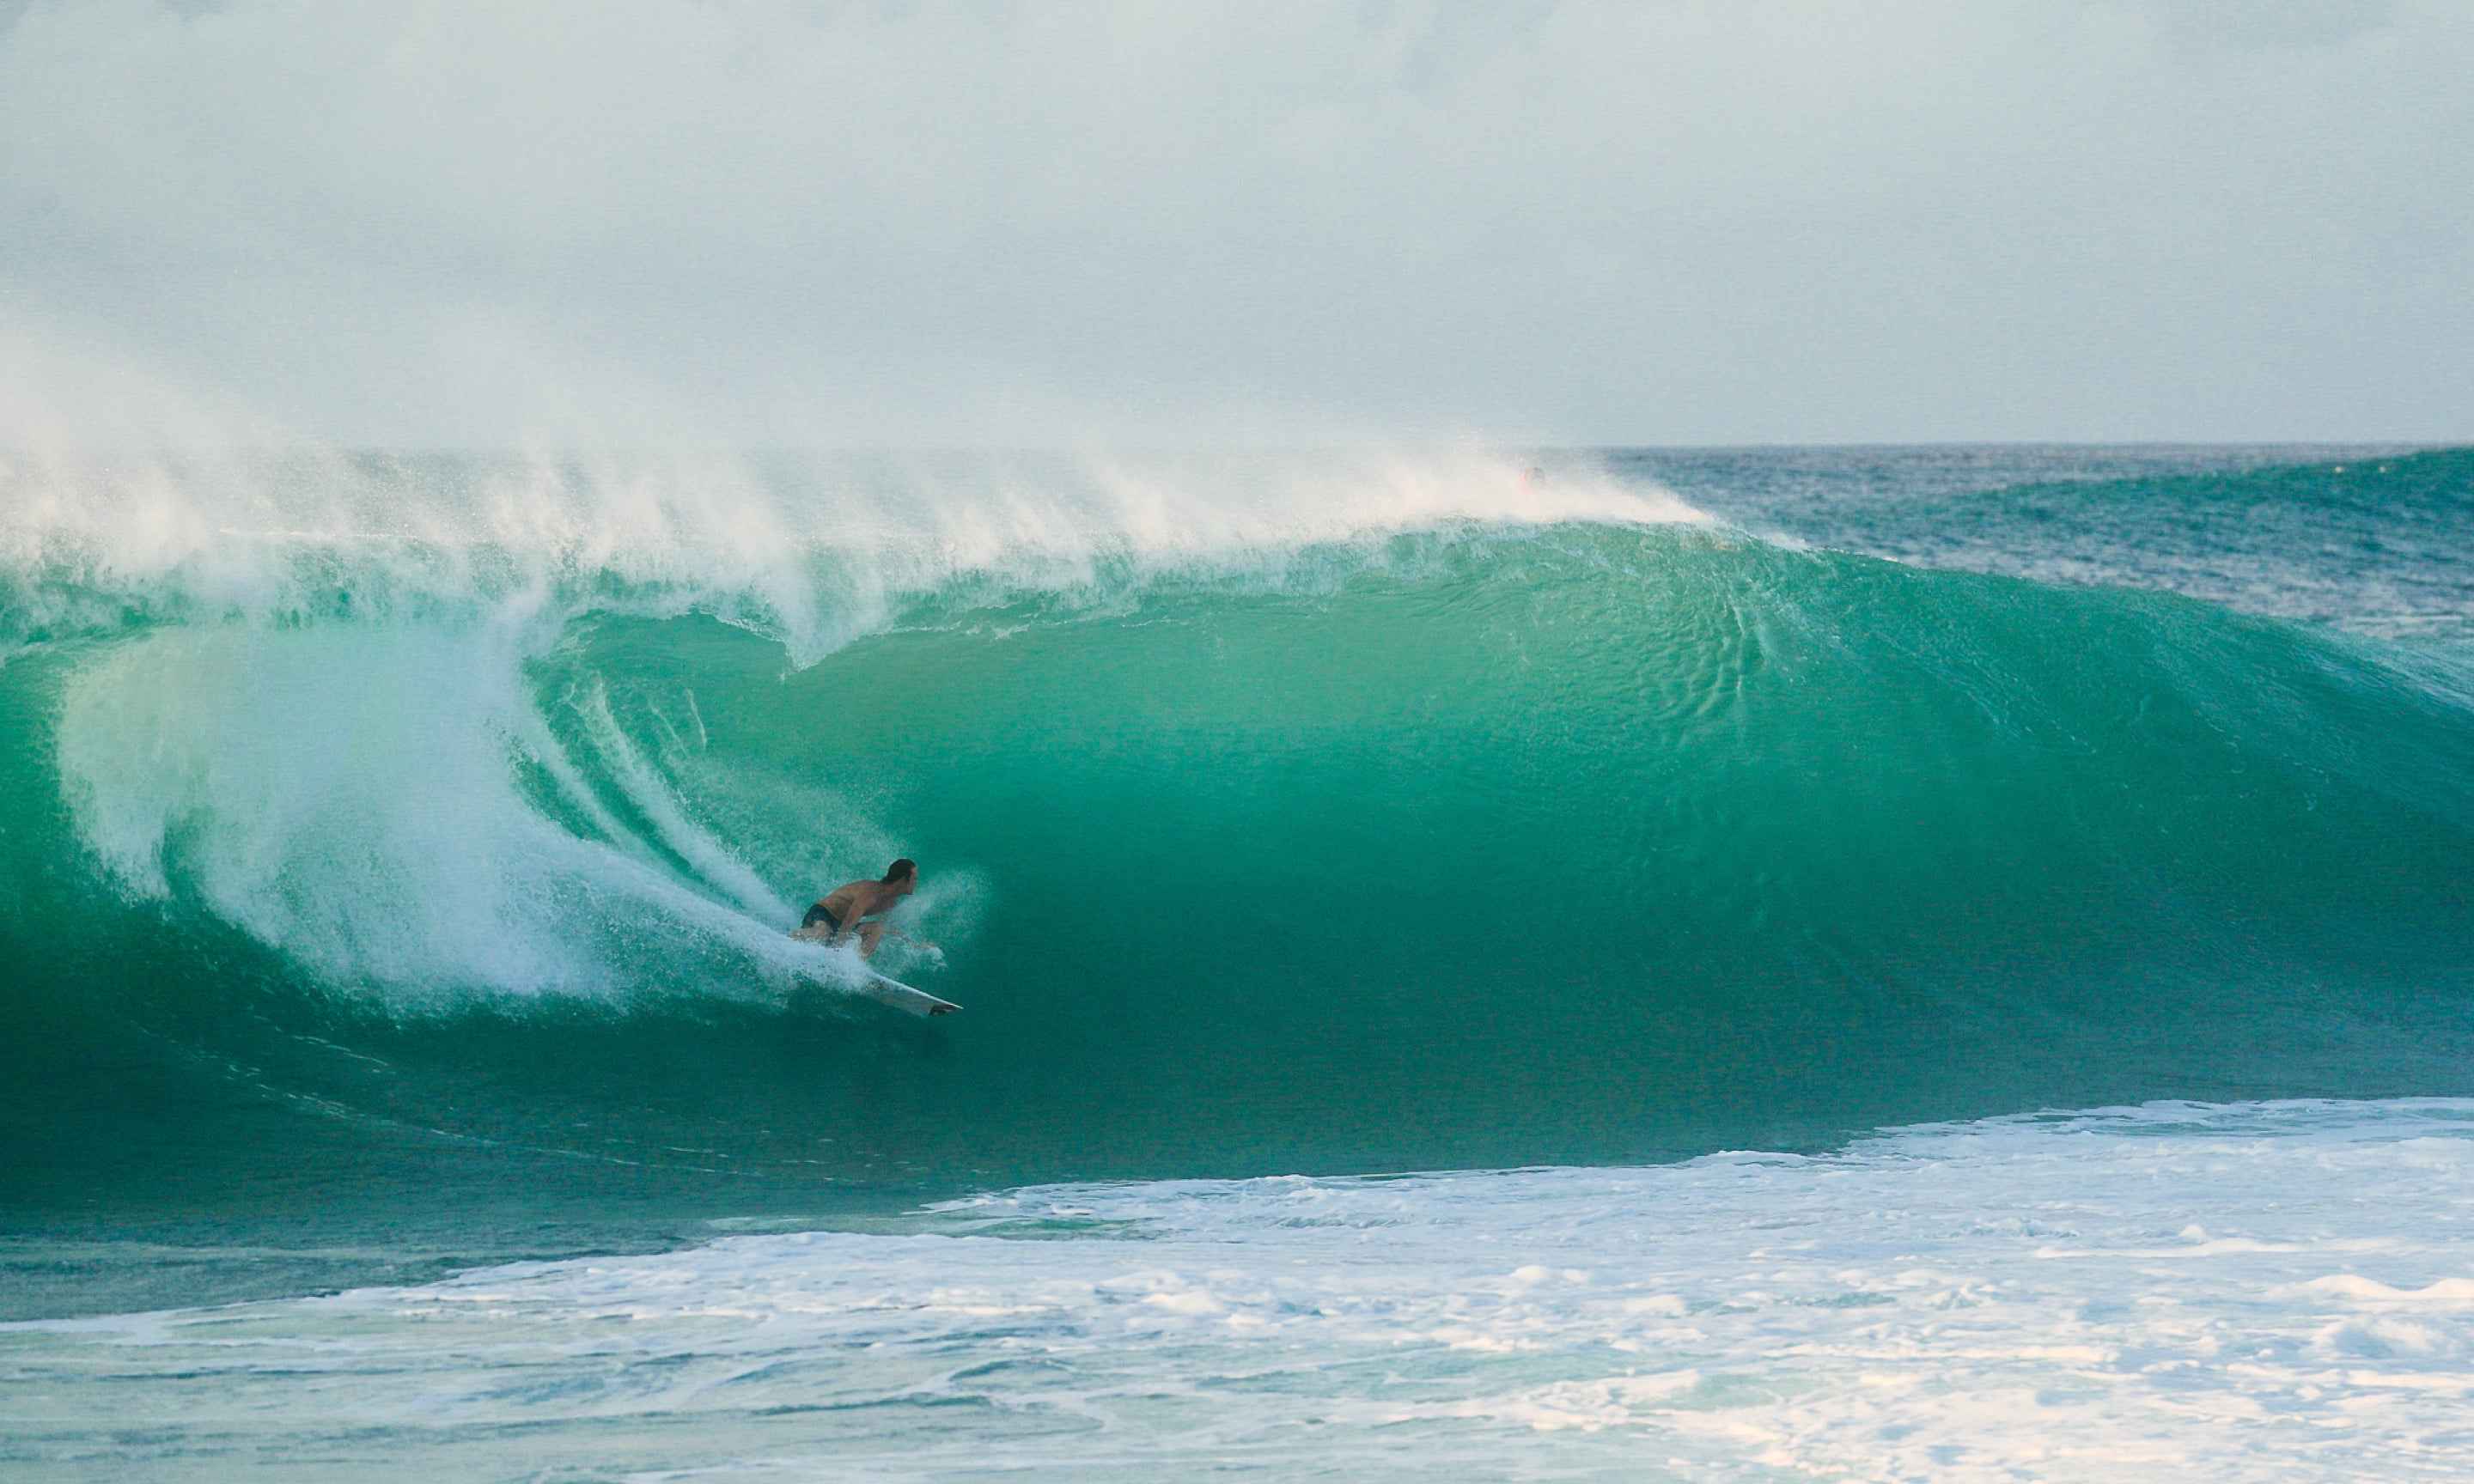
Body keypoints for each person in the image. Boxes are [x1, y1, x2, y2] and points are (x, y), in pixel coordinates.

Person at [796, 859, 917, 958]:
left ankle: (856, 964)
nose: (916, 882)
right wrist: (836, 949)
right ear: (903, 880)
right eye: (914, 879)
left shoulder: (891, 902)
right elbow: (850, 920)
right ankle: (790, 938)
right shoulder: (872, 891)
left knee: (878, 928)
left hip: (839, 925)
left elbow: (888, 927)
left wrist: (914, 945)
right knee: (822, 933)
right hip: (823, 913)